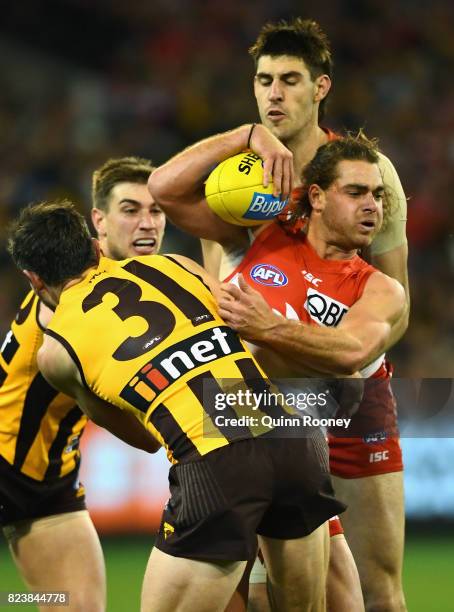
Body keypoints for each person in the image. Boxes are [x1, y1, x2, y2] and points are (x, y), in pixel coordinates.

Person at [149, 18, 409, 612]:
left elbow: (395, 296)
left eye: (289, 80)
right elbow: (165, 189)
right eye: (263, 80)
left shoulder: (367, 176)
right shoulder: (241, 177)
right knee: (256, 588)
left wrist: (331, 335)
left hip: (348, 393)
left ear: (320, 88)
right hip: (256, 400)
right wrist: (246, 136)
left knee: (375, 588)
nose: (273, 94)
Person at [7, 201, 345, 612]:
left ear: (34, 279)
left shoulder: (55, 351)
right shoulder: (176, 265)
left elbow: (145, 439)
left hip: (214, 461)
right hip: (292, 434)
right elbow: (243, 328)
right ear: (96, 247)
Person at [0, 156, 165, 611]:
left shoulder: (115, 281)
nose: (147, 224)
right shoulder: (75, 307)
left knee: (75, 606)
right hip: (9, 463)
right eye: (130, 210)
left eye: (156, 210)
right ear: (99, 226)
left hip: (49, 478)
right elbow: (145, 426)